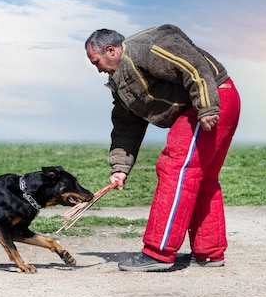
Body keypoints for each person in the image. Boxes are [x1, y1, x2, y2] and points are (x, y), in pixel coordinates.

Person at [84, 24, 240, 271]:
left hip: (210, 97)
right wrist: (120, 168)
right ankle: (209, 252)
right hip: (211, 100)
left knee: (175, 168)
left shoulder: (144, 49)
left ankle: (158, 252)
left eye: (96, 62)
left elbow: (193, 64)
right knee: (202, 177)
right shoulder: (121, 80)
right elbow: (126, 124)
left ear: (111, 50)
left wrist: (207, 106)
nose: (98, 69)